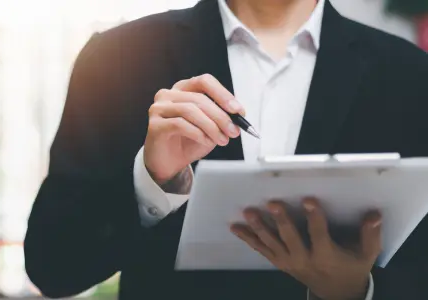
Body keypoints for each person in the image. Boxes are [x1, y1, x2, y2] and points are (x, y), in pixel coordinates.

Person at [24, 0, 428, 298]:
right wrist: (151, 180)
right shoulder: (117, 58)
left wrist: (359, 290)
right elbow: (54, 266)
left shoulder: (410, 77)